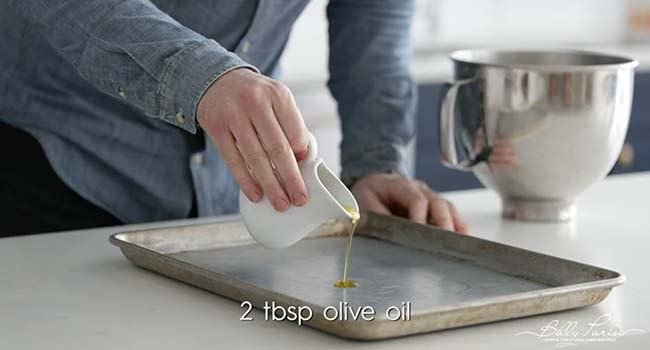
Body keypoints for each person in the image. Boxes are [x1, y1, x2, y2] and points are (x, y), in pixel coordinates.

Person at [0, 0, 467, 237]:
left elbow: (374, 16)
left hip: (225, 198)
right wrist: (200, 75)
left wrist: (376, 162)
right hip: (48, 160)